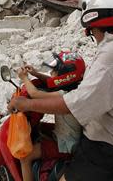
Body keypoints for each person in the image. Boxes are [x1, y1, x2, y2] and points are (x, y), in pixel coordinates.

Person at [8, 0, 113, 181]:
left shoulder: (111, 58)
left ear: (90, 19)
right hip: (110, 132)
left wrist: (25, 104)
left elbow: (73, 105)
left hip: (107, 144)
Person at [17, 51, 85, 181]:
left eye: (54, 71)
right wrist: (36, 74)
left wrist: (24, 78)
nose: (52, 74)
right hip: (71, 139)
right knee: (40, 129)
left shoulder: (63, 95)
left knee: (25, 157)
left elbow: (35, 94)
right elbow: (53, 82)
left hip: (65, 147)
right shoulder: (74, 89)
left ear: (66, 76)